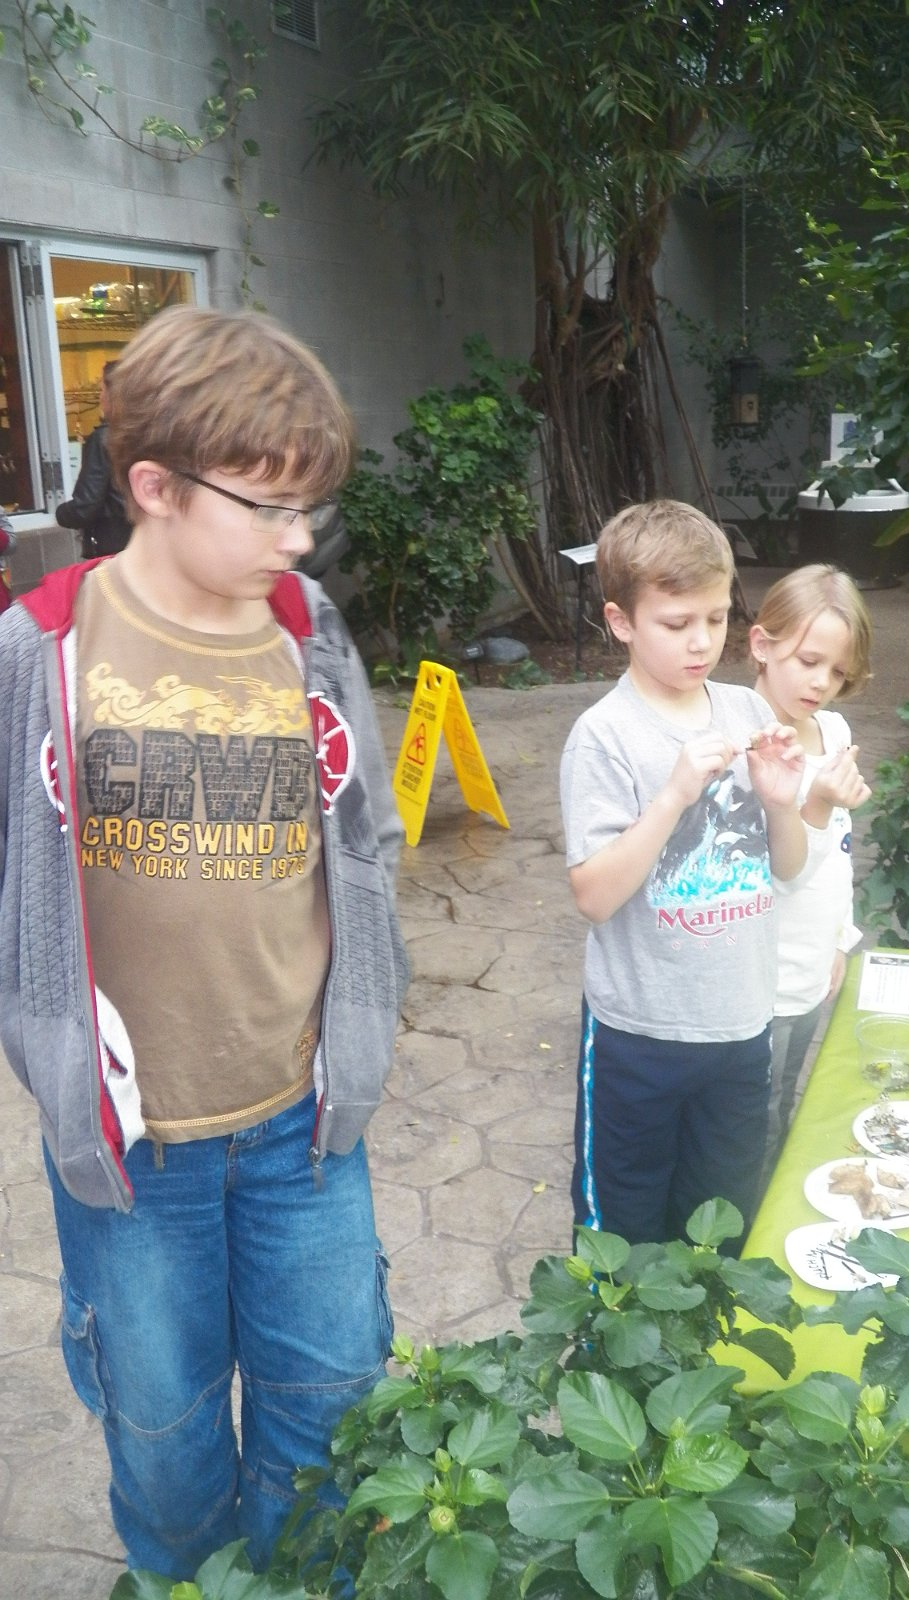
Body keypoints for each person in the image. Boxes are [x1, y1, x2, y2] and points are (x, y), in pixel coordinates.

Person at [0, 307, 409, 1578]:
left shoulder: (308, 630)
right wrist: (50, 1045)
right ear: (154, 488)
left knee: (331, 1418)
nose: (300, 538)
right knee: (166, 1442)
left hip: (304, 1125)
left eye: (310, 509)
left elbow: (366, 828)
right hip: (134, 1155)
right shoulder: (41, 648)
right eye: (270, 507)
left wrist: (364, 1015)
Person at [560, 499, 810, 1249]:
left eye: (716, 617)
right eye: (676, 624)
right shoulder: (604, 736)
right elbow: (594, 896)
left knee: (720, 1228)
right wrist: (672, 795)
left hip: (741, 1027)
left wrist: (781, 804)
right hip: (641, 1036)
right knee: (622, 1236)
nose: (702, 641)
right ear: (621, 621)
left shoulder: (746, 712)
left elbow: (788, 869)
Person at [748, 566, 873, 1167]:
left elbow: (839, 855)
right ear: (761, 644)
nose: (822, 682)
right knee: (757, 1123)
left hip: (811, 970)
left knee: (784, 1100)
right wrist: (818, 802)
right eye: (808, 660)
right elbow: (780, 873)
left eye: (838, 671)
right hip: (761, 981)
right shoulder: (747, 745)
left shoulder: (833, 729)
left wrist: (840, 939)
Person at [55, 359, 133, 556]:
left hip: (112, 545)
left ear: (114, 395)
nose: (100, 397)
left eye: (102, 390)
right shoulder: (154, 435)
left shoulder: (104, 438)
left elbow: (85, 507)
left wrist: (60, 513)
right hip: (147, 545)